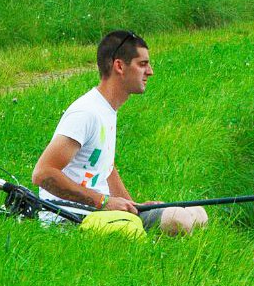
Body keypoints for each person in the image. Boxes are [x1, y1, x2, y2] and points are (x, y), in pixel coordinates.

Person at [31, 29, 208, 236]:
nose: (150, 71)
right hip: (73, 219)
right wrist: (103, 202)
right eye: (142, 64)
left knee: (199, 213)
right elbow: (43, 174)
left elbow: (106, 168)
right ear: (119, 66)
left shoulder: (106, 109)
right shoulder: (86, 112)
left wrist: (134, 206)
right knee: (180, 220)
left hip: (102, 214)